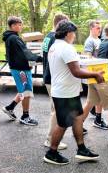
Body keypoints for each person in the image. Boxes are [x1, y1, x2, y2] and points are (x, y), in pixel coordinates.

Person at [43, 20, 104, 165]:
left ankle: (81, 149)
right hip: (65, 93)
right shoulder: (66, 48)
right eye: (73, 33)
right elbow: (76, 71)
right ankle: (51, 153)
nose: (74, 36)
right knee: (63, 124)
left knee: (77, 118)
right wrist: (95, 75)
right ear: (68, 33)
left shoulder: (54, 46)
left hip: (66, 91)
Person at [2, 16, 42, 126]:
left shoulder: (11, 37)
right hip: (21, 70)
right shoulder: (14, 38)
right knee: (27, 92)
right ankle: (25, 116)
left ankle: (9, 108)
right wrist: (40, 58)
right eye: (19, 25)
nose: (21, 26)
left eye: (21, 24)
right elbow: (25, 53)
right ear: (13, 26)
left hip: (18, 68)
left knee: (23, 91)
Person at [42, 13, 69, 150]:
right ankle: (50, 139)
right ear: (61, 24)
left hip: (49, 76)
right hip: (53, 78)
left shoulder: (48, 36)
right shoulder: (55, 38)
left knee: (55, 109)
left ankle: (51, 138)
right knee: (56, 110)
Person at [83, 20, 108, 130]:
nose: (100, 30)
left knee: (98, 99)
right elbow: (88, 57)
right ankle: (79, 123)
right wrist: (99, 61)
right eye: (97, 28)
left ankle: (98, 119)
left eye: (100, 28)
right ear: (91, 28)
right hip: (95, 73)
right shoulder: (89, 41)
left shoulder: (98, 40)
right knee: (92, 101)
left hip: (100, 73)